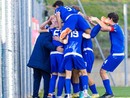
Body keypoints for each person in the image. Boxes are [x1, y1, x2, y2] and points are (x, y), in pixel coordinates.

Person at [90, 12, 125, 98]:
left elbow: (105, 27)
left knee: (103, 71)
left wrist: (98, 20)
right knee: (103, 71)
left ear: (111, 19)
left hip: (117, 54)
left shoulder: (116, 27)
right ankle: (109, 92)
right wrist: (93, 22)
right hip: (117, 54)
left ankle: (109, 93)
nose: (106, 19)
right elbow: (102, 29)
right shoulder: (114, 27)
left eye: (107, 18)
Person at [27, 27, 63, 98]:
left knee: (37, 79)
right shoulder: (48, 34)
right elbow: (46, 43)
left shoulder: (42, 34)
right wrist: (56, 48)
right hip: (42, 61)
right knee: (47, 78)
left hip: (36, 61)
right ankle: (46, 95)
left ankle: (35, 95)